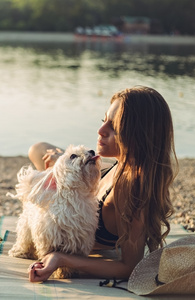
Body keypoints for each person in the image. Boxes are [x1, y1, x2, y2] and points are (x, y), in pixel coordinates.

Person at [27, 86, 178, 282]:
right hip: (86, 182)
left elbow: (129, 267)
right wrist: (61, 163)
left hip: (79, 220)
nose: (100, 131)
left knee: (40, 155)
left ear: (139, 136)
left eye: (114, 127)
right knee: (39, 149)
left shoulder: (131, 189)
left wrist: (62, 259)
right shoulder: (121, 163)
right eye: (103, 120)